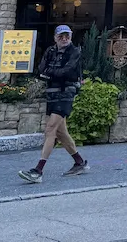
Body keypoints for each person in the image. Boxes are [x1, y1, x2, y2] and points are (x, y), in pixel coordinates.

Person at [18, 24, 89, 182]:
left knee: (50, 129)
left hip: (66, 94)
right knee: (61, 132)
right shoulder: (50, 51)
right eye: (60, 36)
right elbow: (41, 70)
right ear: (55, 38)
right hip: (52, 94)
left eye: (67, 36)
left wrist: (51, 74)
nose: (64, 39)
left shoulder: (75, 51)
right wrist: (52, 74)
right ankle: (79, 162)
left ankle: (38, 170)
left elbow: (67, 71)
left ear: (70, 37)